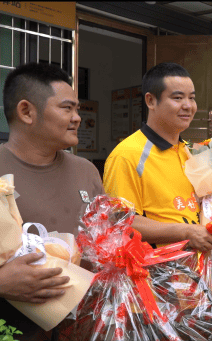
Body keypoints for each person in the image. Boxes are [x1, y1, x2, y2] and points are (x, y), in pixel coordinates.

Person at [0, 63, 104, 340]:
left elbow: (107, 235)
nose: (78, 118)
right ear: (26, 111)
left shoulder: (86, 171)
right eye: (67, 108)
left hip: (81, 326)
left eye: (78, 109)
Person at [103, 62, 212, 252]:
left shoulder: (188, 151)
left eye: (192, 98)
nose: (188, 106)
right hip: (156, 274)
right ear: (150, 101)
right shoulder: (127, 155)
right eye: (177, 98)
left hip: (198, 270)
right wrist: (186, 232)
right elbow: (120, 221)